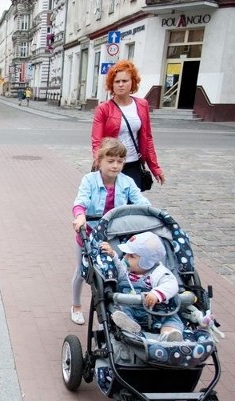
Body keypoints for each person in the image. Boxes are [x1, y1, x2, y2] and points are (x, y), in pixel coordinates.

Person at [70, 137, 150, 325]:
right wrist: (80, 215)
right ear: (99, 161)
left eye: (120, 162)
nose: (115, 166)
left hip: (114, 235)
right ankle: (76, 305)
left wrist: (152, 213)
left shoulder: (127, 182)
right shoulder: (89, 180)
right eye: (111, 161)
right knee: (83, 272)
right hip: (89, 233)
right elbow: (80, 200)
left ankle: (110, 310)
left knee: (114, 270)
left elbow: (141, 202)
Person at [92, 60, 165, 191]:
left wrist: (155, 167)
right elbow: (97, 141)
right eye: (117, 82)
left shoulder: (142, 105)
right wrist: (99, 162)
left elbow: (147, 138)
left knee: (131, 205)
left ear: (132, 82)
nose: (120, 85)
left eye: (124, 81)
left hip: (133, 164)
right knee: (110, 206)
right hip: (110, 164)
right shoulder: (103, 109)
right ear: (111, 85)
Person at [100, 232, 185, 342]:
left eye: (131, 256)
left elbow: (171, 285)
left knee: (171, 318)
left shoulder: (159, 272)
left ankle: (169, 335)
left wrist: (157, 293)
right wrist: (113, 256)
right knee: (120, 310)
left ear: (147, 261)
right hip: (130, 308)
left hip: (156, 312)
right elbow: (119, 271)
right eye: (125, 254)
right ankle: (130, 326)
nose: (125, 257)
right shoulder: (126, 269)